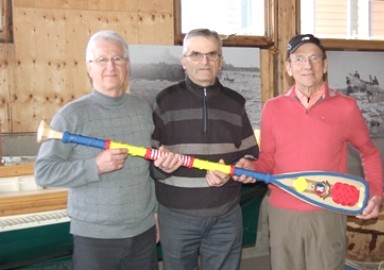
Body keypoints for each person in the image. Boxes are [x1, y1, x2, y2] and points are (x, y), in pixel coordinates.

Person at [235, 34, 384, 270]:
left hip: (328, 212)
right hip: (283, 213)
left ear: (324, 66)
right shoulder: (272, 108)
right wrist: (251, 167)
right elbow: (267, 161)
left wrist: (375, 193)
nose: (308, 65)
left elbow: (369, 152)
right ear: (289, 68)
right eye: (300, 59)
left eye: (315, 58)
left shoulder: (346, 107)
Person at [34, 30, 159, 270]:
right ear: (89, 68)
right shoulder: (71, 116)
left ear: (127, 65)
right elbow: (44, 172)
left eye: (118, 59)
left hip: (142, 231)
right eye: (102, 60)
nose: (111, 67)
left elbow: (147, 169)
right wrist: (95, 166)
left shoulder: (142, 108)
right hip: (95, 238)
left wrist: (155, 212)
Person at [149, 28, 259, 270]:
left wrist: (242, 168)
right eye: (196, 54)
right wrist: (161, 166)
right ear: (184, 61)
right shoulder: (164, 101)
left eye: (212, 54)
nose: (205, 61)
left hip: (226, 217)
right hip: (176, 217)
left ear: (221, 61)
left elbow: (251, 156)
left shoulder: (236, 103)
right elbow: (149, 163)